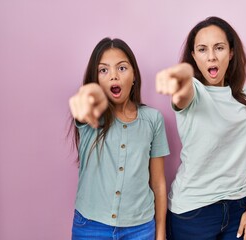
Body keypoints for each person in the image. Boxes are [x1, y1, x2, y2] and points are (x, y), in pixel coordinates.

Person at [156, 16, 246, 240]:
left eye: (219, 48)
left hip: (238, 209)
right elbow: (183, 93)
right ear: (194, 57)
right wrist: (181, 77)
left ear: (231, 52)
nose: (211, 56)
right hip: (193, 213)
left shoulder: (243, 93)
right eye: (202, 50)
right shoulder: (194, 91)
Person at [69, 37, 170, 240]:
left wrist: (160, 233)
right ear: (95, 79)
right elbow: (84, 101)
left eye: (122, 68)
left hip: (140, 229)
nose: (113, 76)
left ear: (134, 75)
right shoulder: (91, 117)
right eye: (103, 70)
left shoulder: (153, 119)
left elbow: (158, 183)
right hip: (90, 226)